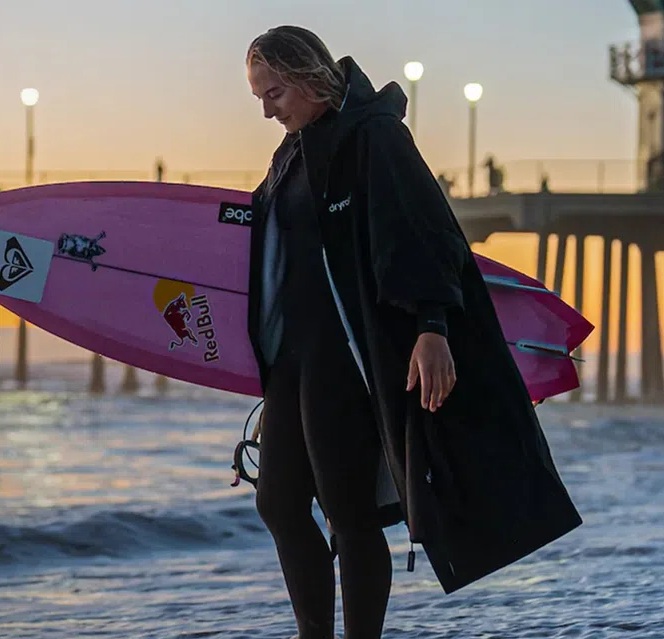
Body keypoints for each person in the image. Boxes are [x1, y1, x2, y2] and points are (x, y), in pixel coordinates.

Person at [243, 26, 582, 639]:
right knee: (279, 503)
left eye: (273, 93)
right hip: (294, 356)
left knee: (348, 513)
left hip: (348, 356)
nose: (266, 108)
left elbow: (428, 234)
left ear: (305, 77)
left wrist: (432, 328)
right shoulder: (291, 151)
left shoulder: (374, 137)